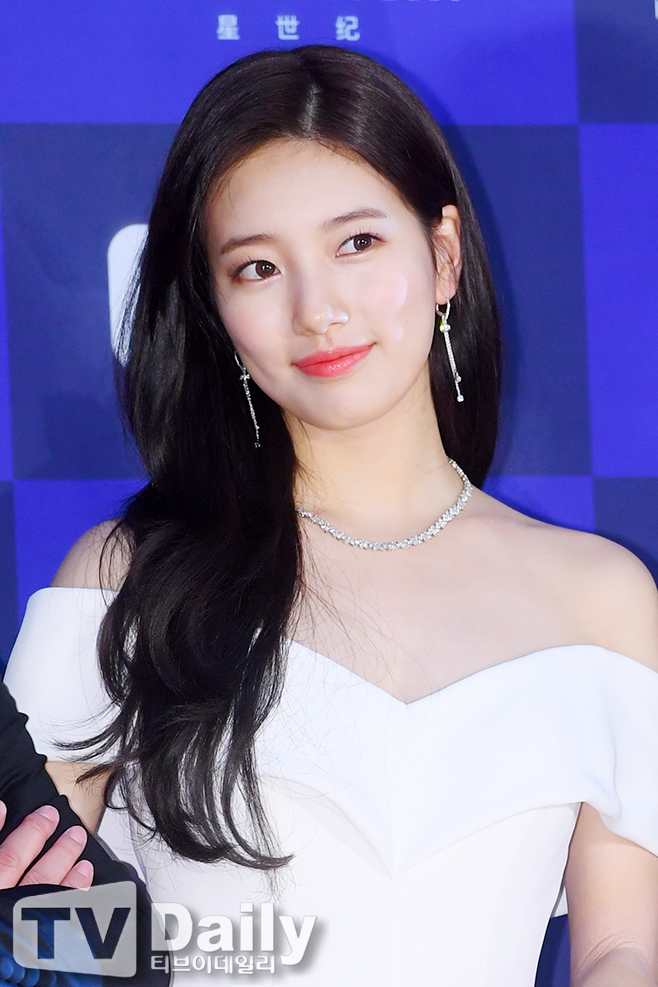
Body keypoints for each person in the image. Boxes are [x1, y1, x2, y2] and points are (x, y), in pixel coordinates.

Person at [5, 44, 658, 986]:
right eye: (258, 267)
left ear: (443, 255)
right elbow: (35, 919)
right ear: (217, 310)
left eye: (357, 244)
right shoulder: (126, 581)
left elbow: (620, 947)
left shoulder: (601, 600)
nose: (318, 309)